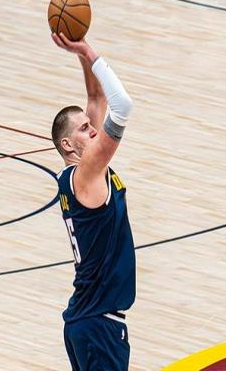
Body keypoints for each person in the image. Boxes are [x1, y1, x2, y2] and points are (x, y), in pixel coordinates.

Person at [51, 32, 136, 370]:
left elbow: (96, 96)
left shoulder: (79, 174)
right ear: (68, 146)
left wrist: (78, 48)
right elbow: (122, 106)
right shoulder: (87, 173)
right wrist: (89, 51)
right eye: (85, 129)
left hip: (88, 321)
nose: (93, 130)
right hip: (99, 324)